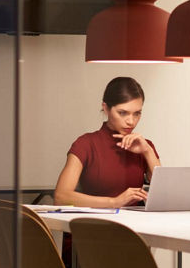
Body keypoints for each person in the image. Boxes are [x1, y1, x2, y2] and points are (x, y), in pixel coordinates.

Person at [53, 76, 160, 208]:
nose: (131, 121)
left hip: (138, 226)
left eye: (137, 113)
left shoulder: (144, 145)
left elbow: (165, 196)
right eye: (122, 113)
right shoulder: (85, 144)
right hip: (97, 225)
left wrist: (148, 151)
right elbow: (61, 197)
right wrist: (114, 202)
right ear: (106, 108)